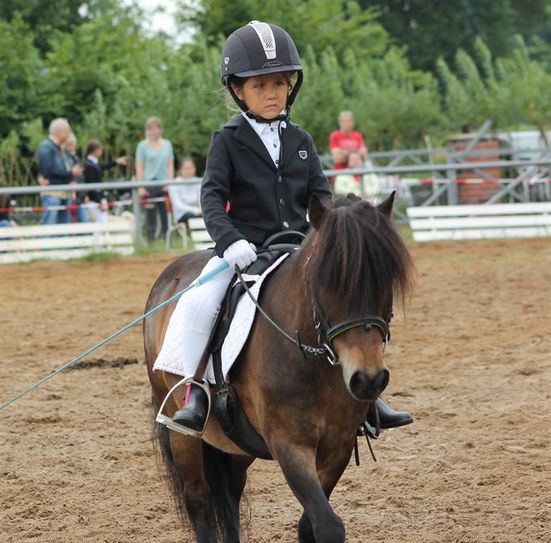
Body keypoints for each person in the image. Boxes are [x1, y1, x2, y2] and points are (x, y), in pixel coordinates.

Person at [153, 20, 412, 434]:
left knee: (348, 301)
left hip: (299, 247)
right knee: (200, 301)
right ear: (238, 90)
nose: (272, 93)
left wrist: (339, 233)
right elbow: (211, 198)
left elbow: (322, 199)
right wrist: (229, 240)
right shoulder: (227, 140)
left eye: (279, 83)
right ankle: (195, 390)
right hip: (244, 251)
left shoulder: (302, 141)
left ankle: (368, 399)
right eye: (260, 86)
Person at [135, 117, 174, 243]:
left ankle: (167, 242)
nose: (154, 131)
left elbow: (170, 164)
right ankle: (150, 242)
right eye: (151, 128)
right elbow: (139, 166)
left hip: (163, 183)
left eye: (157, 127)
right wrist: (141, 186)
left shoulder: (167, 144)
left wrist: (170, 183)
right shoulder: (142, 146)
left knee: (165, 215)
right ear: (147, 130)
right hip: (149, 183)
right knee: (150, 215)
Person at [37, 118, 81, 224]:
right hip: (53, 193)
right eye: (68, 131)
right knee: (49, 224)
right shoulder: (46, 147)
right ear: (60, 132)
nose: (69, 134)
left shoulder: (61, 148)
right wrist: (71, 173)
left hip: (64, 192)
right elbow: (48, 170)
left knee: (63, 226)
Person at [83, 139, 128, 222]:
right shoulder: (89, 165)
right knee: (100, 223)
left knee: (103, 221)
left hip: (98, 198)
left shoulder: (93, 163)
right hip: (96, 200)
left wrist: (116, 162)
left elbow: (102, 166)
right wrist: (99, 202)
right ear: (96, 150)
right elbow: (92, 186)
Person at [167, 157, 202, 225]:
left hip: (199, 212)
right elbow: (177, 204)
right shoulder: (174, 184)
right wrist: (196, 210)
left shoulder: (199, 182)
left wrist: (202, 210)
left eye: (191, 168)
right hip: (181, 214)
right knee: (193, 216)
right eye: (186, 168)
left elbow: (201, 200)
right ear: (180, 170)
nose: (189, 171)